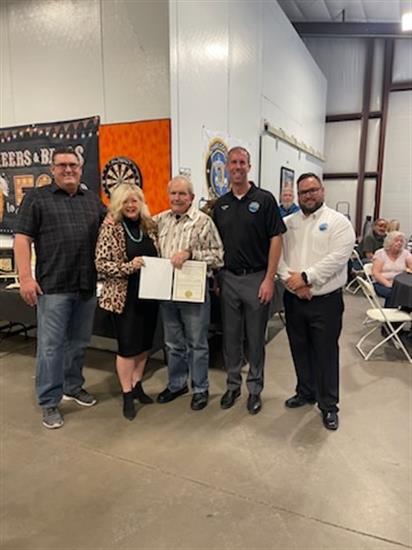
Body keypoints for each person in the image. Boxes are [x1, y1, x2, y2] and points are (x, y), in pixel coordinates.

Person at [14, 146, 106, 429]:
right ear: (52, 169)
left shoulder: (92, 200)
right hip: (53, 286)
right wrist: (26, 278)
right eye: (62, 165)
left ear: (80, 168)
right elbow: (22, 239)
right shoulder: (37, 199)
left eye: (73, 165)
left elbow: (112, 230)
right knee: (51, 347)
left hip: (86, 285)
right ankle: (49, 401)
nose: (68, 170)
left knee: (78, 342)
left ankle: (73, 386)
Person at [279, 172, 355, 430]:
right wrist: (293, 283)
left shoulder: (338, 222)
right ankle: (305, 392)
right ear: (297, 195)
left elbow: (338, 258)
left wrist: (305, 278)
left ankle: (328, 405)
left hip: (326, 302)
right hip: (294, 300)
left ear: (322, 191)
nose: (308, 196)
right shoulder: (287, 223)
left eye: (313, 190)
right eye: (303, 192)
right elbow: (277, 256)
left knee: (326, 353)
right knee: (299, 348)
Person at [213, 147, 286, 415]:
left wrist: (269, 279)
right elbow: (215, 244)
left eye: (242, 162)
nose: (237, 167)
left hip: (257, 278)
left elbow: (276, 239)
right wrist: (217, 278)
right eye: (233, 162)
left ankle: (255, 389)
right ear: (227, 167)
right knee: (231, 338)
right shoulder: (220, 205)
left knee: (255, 339)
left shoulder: (264, 200)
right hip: (228, 278)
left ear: (249, 166)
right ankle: (233, 386)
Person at [155, 176, 224, 411]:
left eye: (182, 194)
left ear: (192, 197)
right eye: (173, 193)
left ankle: (200, 388)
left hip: (193, 293)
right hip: (166, 291)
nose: (177, 198)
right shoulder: (159, 220)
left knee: (197, 344)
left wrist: (191, 254)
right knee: (173, 343)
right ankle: (177, 384)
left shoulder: (203, 222)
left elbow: (218, 256)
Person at [95, 184, 159, 420]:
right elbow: (101, 263)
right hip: (124, 298)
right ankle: (127, 394)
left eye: (135, 200)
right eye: (126, 201)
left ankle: (137, 384)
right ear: (118, 204)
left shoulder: (149, 226)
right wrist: (129, 267)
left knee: (144, 344)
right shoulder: (111, 227)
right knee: (127, 348)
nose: (131, 205)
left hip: (150, 296)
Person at [372, 231, 412, 307]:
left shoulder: (406, 254)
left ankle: (404, 311)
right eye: (396, 240)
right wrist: (387, 284)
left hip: (399, 284)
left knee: (408, 293)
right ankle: (389, 313)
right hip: (381, 283)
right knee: (394, 293)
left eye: (401, 241)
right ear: (389, 242)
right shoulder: (380, 253)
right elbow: (376, 273)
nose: (399, 243)